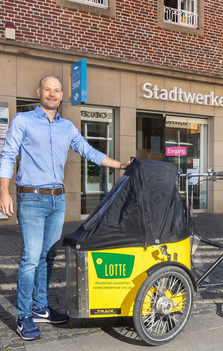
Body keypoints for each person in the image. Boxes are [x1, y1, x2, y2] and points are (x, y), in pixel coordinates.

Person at [0, 76, 130, 341]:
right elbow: (8, 154)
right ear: (39, 92)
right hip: (32, 199)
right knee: (30, 259)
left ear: (61, 95)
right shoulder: (22, 121)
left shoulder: (67, 126)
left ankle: (40, 308)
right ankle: (24, 316)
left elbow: (88, 150)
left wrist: (119, 166)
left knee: (48, 256)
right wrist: (3, 191)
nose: (52, 94)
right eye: (47, 89)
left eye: (57, 90)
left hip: (57, 200)